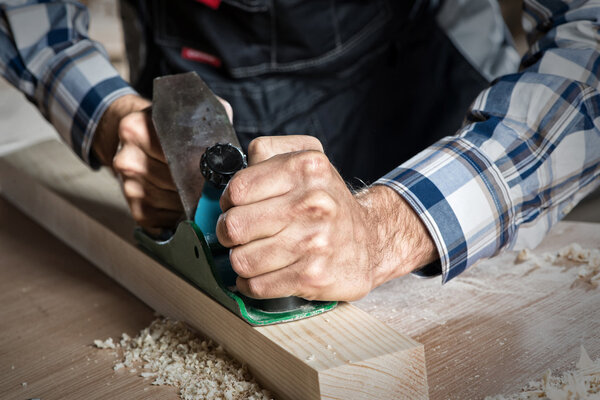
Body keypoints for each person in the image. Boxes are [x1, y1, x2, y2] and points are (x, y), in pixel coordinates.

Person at [0, 0, 598, 301]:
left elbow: (589, 45)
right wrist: (108, 116)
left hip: (420, 104)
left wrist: (391, 228)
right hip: (193, 79)